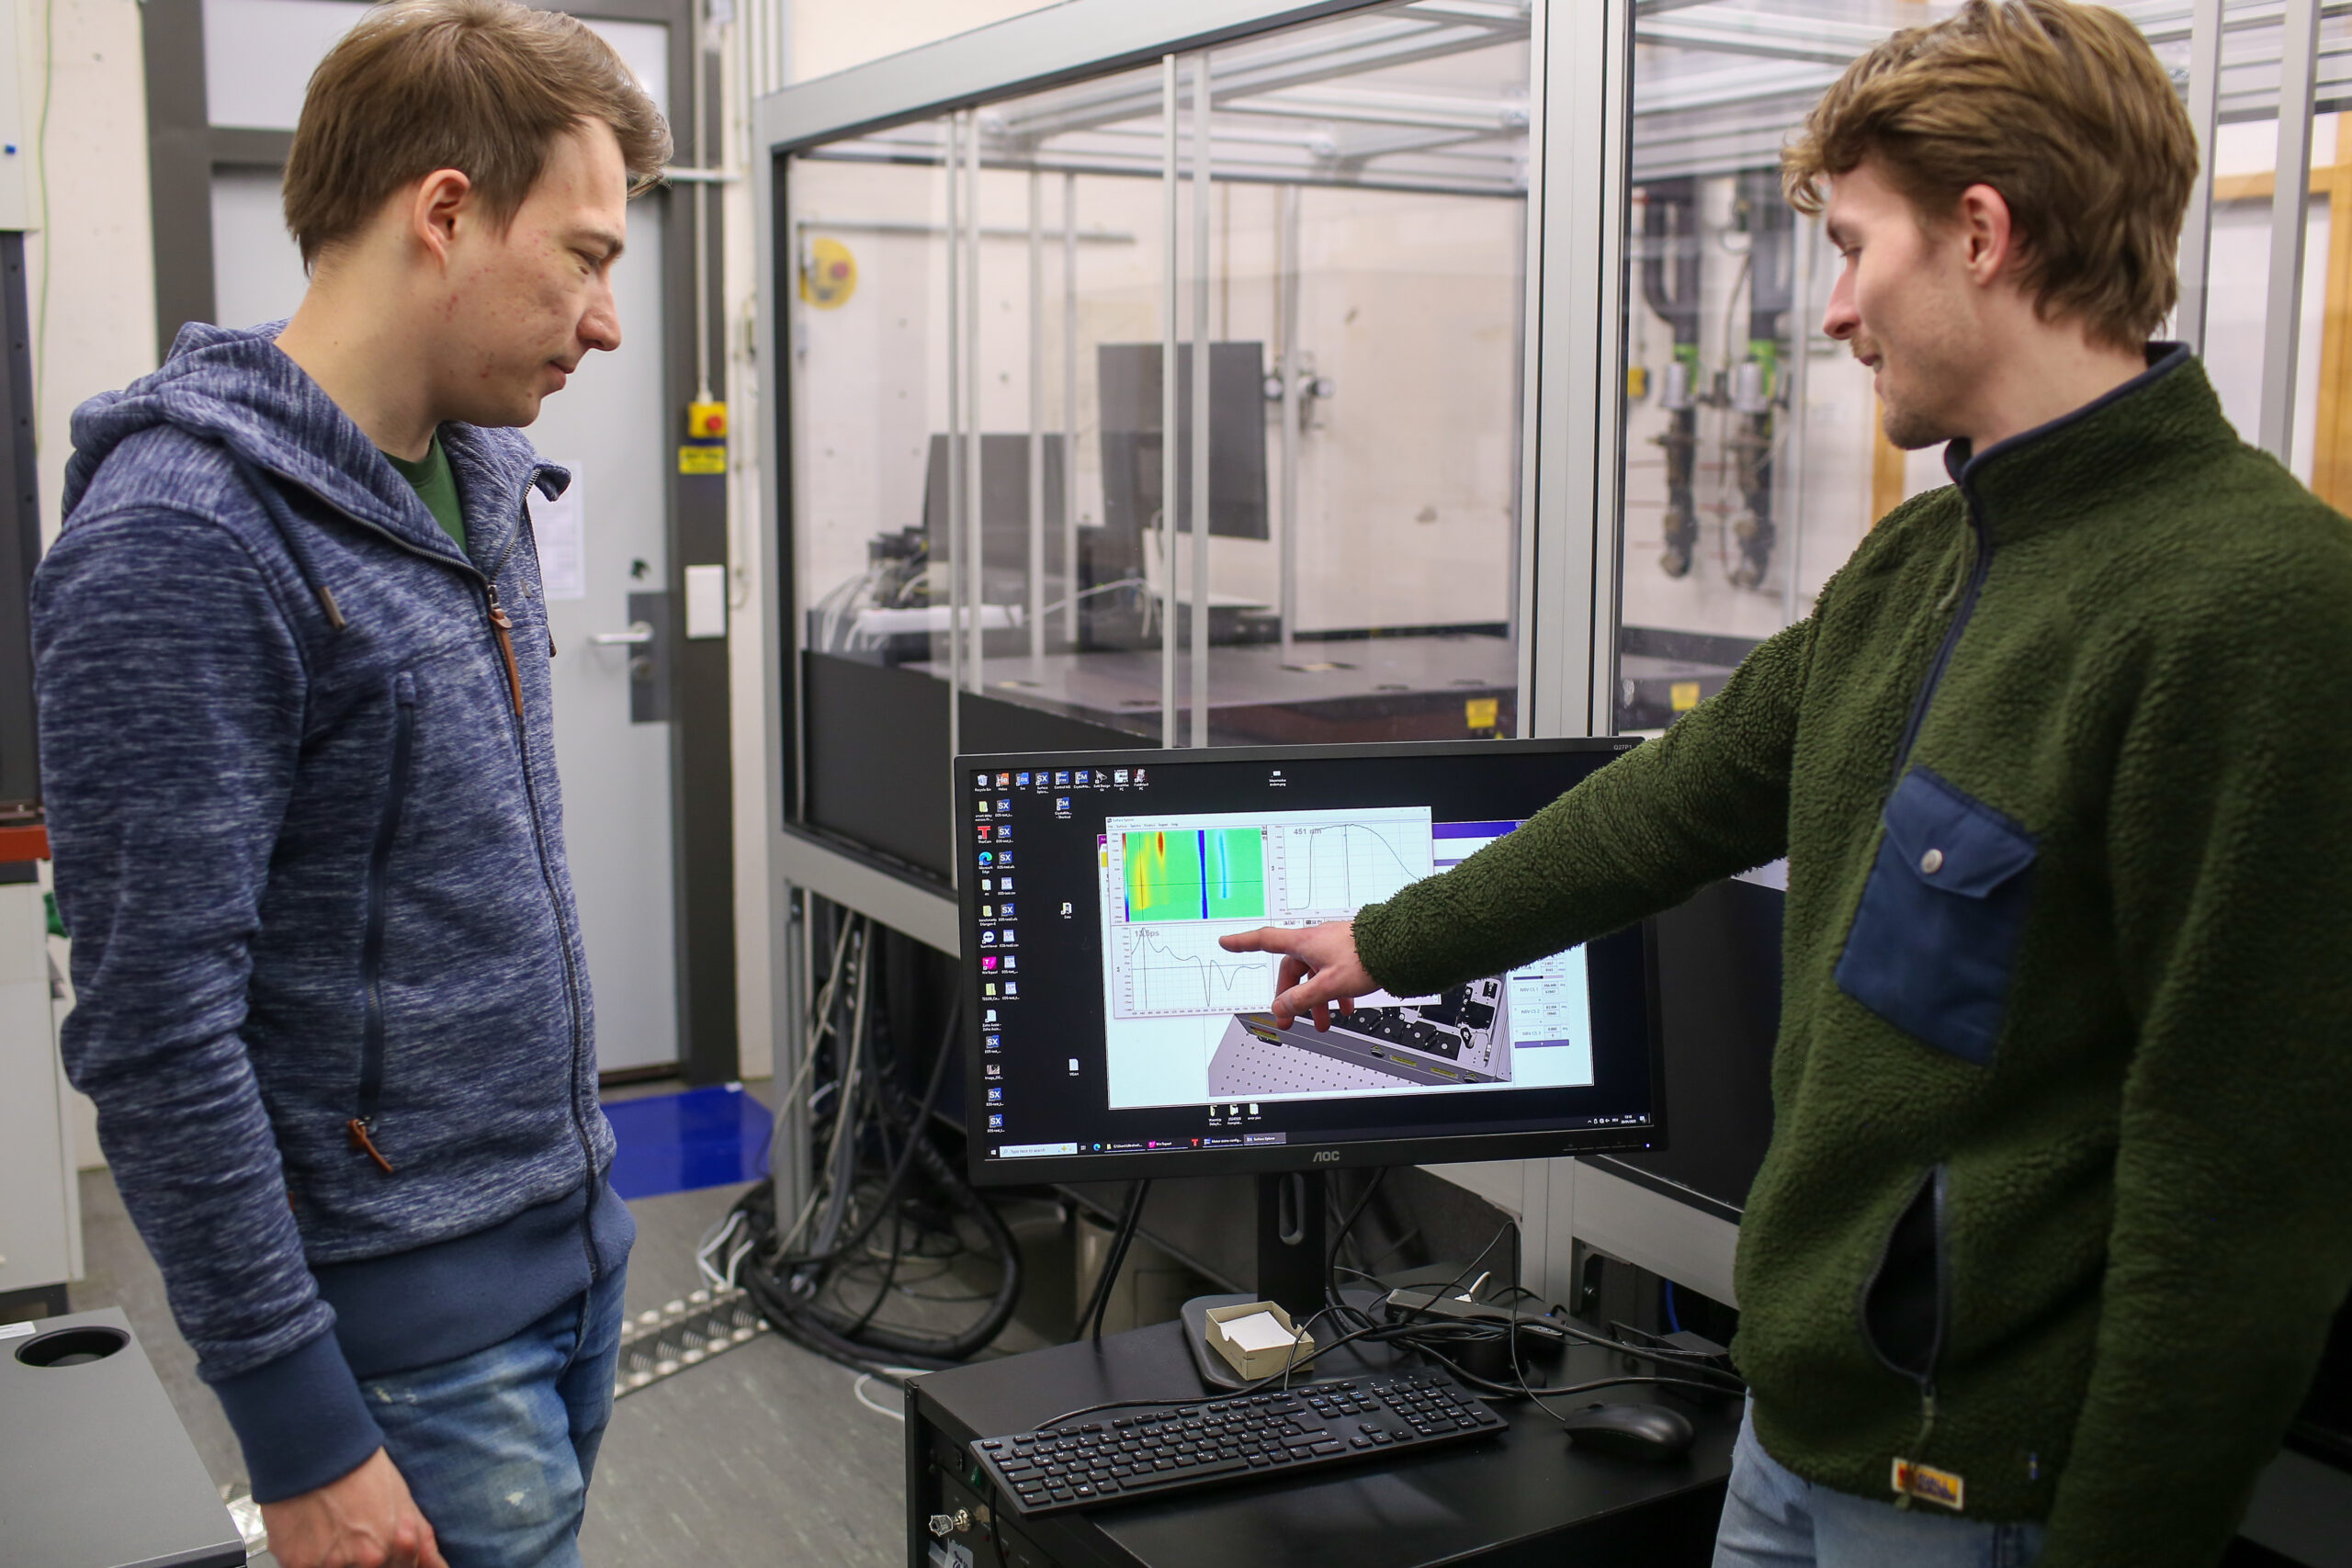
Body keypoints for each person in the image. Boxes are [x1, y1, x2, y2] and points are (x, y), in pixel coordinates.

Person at [1223, 3, 2352, 1565]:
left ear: (1982, 233)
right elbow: (1677, 799)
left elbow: (2237, 1186)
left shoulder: (2257, 608)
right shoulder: (1925, 558)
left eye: (1852, 248)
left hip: (1981, 1493)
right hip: (1799, 1429)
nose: (1831, 311)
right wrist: (1390, 941)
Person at [32, 3, 669, 1564]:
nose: (605, 323)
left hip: (567, 1247)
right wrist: (301, 1430)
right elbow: (155, 1031)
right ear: (444, 211)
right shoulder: (185, 537)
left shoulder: (483, 474)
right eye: (585, 258)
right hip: (400, 1333)